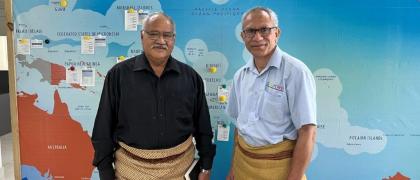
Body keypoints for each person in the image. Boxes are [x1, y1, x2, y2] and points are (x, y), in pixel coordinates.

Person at [92, 12, 216, 180]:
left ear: (174, 38)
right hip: (131, 170)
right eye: (153, 34)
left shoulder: (191, 78)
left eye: (167, 35)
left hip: (180, 170)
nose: (161, 40)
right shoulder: (118, 76)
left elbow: (203, 128)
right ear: (142, 36)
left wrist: (206, 166)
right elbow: (103, 129)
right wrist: (106, 173)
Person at [226, 7, 317, 180]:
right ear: (243, 36)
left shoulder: (296, 72)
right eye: (251, 31)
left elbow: (308, 131)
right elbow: (240, 127)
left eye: (264, 30)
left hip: (280, 170)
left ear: (277, 33)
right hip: (242, 165)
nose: (258, 37)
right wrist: (233, 169)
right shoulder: (240, 76)